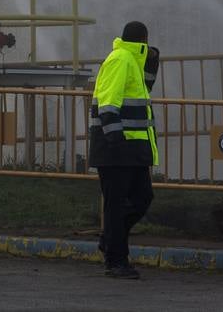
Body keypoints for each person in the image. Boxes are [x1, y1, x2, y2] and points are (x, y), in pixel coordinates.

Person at [88, 20, 159, 278]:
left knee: (142, 198)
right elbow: (108, 103)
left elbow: (145, 91)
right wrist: (114, 139)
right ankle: (116, 261)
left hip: (133, 149)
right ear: (143, 39)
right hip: (116, 148)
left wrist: (152, 61)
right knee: (116, 206)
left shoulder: (133, 63)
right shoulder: (120, 60)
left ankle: (110, 239)